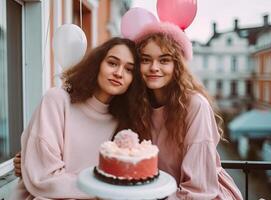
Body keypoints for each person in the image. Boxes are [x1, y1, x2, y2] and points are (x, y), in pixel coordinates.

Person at [10, 37, 139, 200]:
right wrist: (104, 189)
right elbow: (44, 178)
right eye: (112, 63)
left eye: (129, 70)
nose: (119, 73)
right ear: (97, 63)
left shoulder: (125, 123)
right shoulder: (57, 100)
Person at [127, 22, 243, 200]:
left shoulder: (195, 106)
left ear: (177, 66)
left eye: (164, 60)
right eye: (145, 59)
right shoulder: (138, 105)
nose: (154, 67)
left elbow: (197, 188)